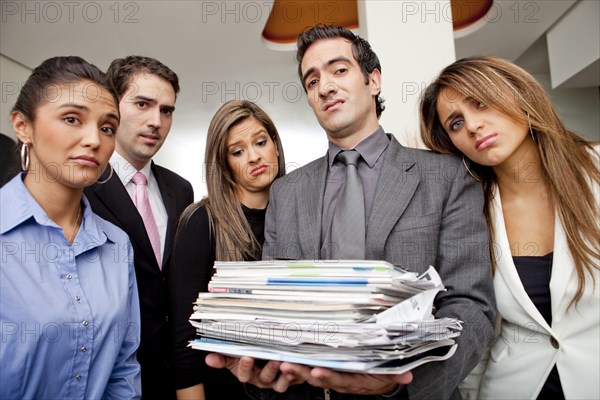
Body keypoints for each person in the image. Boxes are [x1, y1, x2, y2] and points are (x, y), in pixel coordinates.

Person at [207, 24, 496, 400]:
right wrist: (264, 368)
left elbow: (470, 306)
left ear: (373, 81)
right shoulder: (286, 192)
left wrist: (400, 383)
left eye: (339, 70)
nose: (324, 86)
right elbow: (277, 310)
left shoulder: (447, 175)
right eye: (312, 81)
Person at [420, 56, 599, 399]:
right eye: (456, 123)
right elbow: (476, 326)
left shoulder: (594, 169)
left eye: (481, 103)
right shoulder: (469, 212)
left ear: (518, 94)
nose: (472, 126)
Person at [0, 56, 141, 399]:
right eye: (72, 119)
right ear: (23, 126)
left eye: (107, 128)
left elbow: (123, 368)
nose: (94, 139)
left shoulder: (116, 244)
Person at [84, 56, 194, 398]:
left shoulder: (181, 189)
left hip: (175, 375)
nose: (156, 121)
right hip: (106, 377)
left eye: (166, 110)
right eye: (143, 104)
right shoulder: (82, 184)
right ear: (112, 106)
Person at [168, 100, 286, 399]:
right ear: (224, 163)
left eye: (260, 142)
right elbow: (185, 336)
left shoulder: (297, 218)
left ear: (275, 144)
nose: (254, 156)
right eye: (238, 151)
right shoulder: (201, 222)